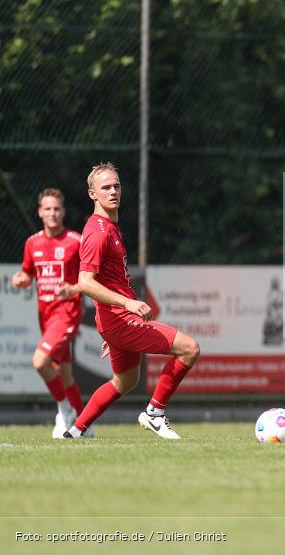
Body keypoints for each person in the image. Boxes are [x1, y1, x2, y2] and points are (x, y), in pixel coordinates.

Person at [62, 162, 201, 440]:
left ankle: (75, 432)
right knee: (189, 349)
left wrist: (110, 325)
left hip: (115, 322)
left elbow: (107, 281)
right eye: (105, 188)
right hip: (120, 319)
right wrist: (125, 307)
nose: (113, 191)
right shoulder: (99, 233)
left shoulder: (110, 226)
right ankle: (154, 413)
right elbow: (86, 282)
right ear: (92, 194)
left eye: (116, 186)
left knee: (125, 381)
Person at [12, 188, 88, 438]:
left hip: (67, 313)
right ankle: (84, 423)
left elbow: (91, 279)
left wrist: (74, 288)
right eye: (48, 209)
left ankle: (64, 410)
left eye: (57, 208)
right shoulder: (32, 243)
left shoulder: (75, 241)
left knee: (40, 362)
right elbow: (28, 273)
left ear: (63, 212)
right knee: (64, 371)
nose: (53, 213)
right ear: (40, 212)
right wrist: (22, 279)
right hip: (44, 316)